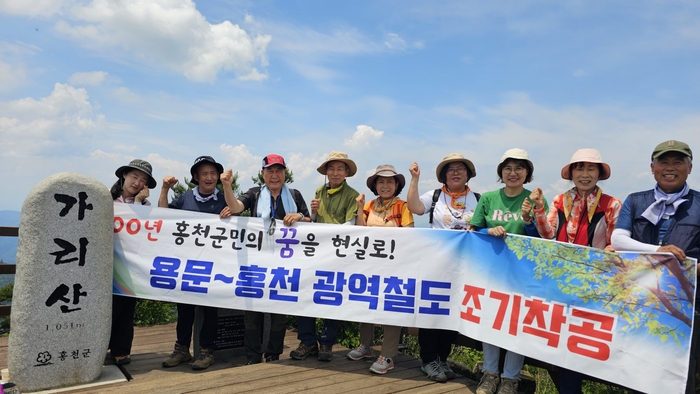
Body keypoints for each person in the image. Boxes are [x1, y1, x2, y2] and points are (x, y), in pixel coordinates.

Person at [525, 148, 621, 394]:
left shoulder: (611, 204)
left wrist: (608, 252)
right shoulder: (559, 201)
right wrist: (537, 209)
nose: (585, 174)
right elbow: (548, 235)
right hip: (561, 283)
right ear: (572, 173)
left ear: (599, 173)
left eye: (591, 168)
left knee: (587, 341)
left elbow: (615, 243)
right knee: (565, 342)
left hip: (594, 286)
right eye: (580, 168)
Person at [611, 140, 699, 394]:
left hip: (684, 306)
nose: (669, 167)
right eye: (663, 161)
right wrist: (658, 252)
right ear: (652, 168)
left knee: (679, 372)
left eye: (677, 161)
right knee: (637, 366)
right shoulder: (636, 201)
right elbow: (618, 240)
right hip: (640, 299)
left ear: (689, 167)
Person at [221, 154, 311, 365]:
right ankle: (252, 356)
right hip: (256, 263)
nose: (274, 175)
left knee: (279, 313)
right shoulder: (253, 194)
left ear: (285, 173)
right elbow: (235, 208)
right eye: (270, 170)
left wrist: (298, 216)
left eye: (278, 170)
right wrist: (227, 186)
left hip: (283, 264)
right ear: (262, 174)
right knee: (252, 312)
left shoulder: (295, 195)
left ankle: (273, 354)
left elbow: (309, 220)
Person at [469, 148, 546, 394]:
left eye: (519, 168)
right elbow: (473, 230)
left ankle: (510, 379)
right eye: (508, 168)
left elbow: (542, 238)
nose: (513, 173)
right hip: (490, 269)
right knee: (490, 319)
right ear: (501, 172)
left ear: (527, 173)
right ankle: (490, 374)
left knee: (517, 323)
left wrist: (527, 219)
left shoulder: (534, 199)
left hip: (521, 273)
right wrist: (487, 231)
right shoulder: (489, 198)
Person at [406, 153, 479, 382]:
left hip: (465, 267)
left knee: (453, 312)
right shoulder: (435, 196)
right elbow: (415, 208)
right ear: (443, 175)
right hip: (436, 264)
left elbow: (485, 226)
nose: (456, 172)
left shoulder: (479, 199)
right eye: (451, 169)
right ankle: (429, 360)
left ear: (468, 174)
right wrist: (415, 179)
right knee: (431, 311)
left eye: (461, 168)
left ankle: (442, 358)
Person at [158, 155, 232, 371]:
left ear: (218, 176)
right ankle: (181, 350)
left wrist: (232, 211)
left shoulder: (224, 199)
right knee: (185, 309)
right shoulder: (184, 198)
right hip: (187, 264)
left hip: (214, 264)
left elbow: (237, 214)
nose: (209, 177)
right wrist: (164, 189)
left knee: (210, 310)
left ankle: (207, 352)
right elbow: (162, 215)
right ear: (195, 177)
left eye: (212, 173)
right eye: (204, 173)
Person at [289, 151, 359, 362]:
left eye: (339, 168)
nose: (335, 172)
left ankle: (327, 343)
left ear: (346, 171)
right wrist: (313, 213)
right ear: (326, 172)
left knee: (331, 297)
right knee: (306, 294)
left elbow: (350, 226)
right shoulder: (319, 191)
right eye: (331, 168)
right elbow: (316, 221)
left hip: (338, 255)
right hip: (316, 252)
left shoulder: (352, 195)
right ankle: (307, 341)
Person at [346, 164, 414, 374]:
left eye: (389, 181)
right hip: (370, 266)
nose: (385, 185)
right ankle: (366, 346)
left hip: (395, 268)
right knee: (366, 305)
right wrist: (359, 208)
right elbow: (360, 232)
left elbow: (410, 235)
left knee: (391, 309)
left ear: (396, 185)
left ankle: (388, 355)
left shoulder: (403, 206)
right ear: (375, 185)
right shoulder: (369, 205)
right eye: (381, 181)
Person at [109, 159, 157, 365]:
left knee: (125, 309)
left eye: (143, 180)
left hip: (128, 264)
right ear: (124, 176)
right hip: (103, 262)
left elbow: (146, 231)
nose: (137, 183)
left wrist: (138, 204)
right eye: (134, 177)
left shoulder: (145, 206)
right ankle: (97, 346)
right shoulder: (106, 199)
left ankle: (121, 350)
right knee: (103, 308)